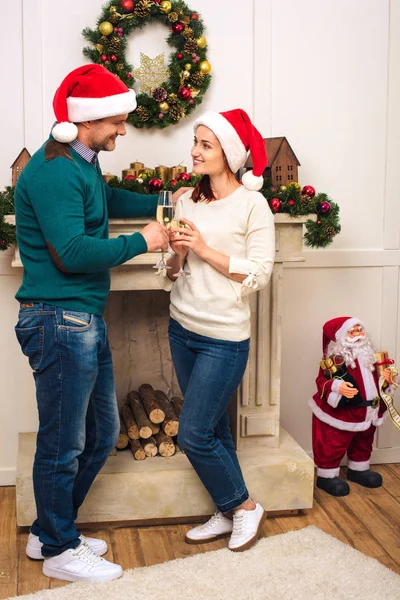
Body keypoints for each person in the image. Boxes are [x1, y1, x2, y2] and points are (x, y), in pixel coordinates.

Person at [14, 64, 186, 583]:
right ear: (88, 119)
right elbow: (69, 252)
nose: (123, 131)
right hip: (59, 319)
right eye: (117, 121)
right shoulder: (54, 170)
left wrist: (164, 202)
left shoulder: (80, 162)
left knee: (101, 431)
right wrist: (145, 241)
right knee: (63, 443)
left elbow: (107, 201)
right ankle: (62, 550)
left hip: (80, 319)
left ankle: (50, 532)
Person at [158, 109, 275, 552]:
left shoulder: (252, 204)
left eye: (205, 144)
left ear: (229, 152)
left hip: (224, 338)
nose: (194, 151)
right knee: (216, 430)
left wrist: (203, 248)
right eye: (195, 142)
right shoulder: (185, 199)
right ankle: (228, 509)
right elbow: (171, 273)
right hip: (182, 327)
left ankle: (244, 507)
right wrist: (177, 254)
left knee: (193, 434)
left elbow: (259, 274)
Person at [309, 316, 396, 497]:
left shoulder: (372, 358)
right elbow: (321, 381)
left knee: (363, 441)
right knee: (333, 443)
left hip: (368, 412)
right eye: (352, 331)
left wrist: (388, 381)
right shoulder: (334, 361)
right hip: (342, 414)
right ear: (342, 336)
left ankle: (359, 468)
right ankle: (327, 475)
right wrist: (338, 386)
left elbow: (380, 382)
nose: (358, 335)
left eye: (360, 330)